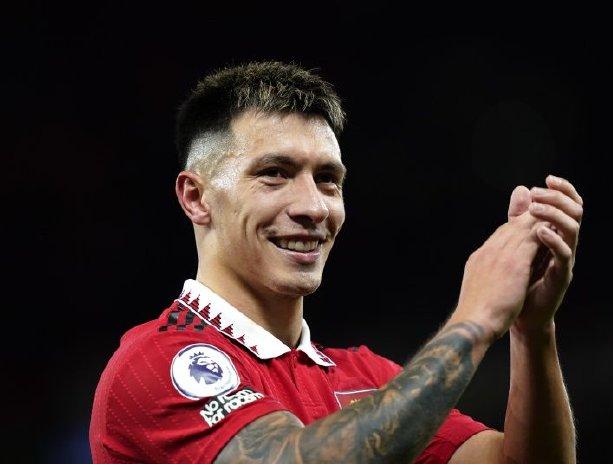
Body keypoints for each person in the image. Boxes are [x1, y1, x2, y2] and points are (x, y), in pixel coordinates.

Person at [89, 61, 582, 463]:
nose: (314, 207)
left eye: (328, 179)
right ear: (196, 198)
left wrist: (532, 331)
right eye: (274, 173)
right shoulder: (157, 364)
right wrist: (475, 319)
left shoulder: (366, 378)